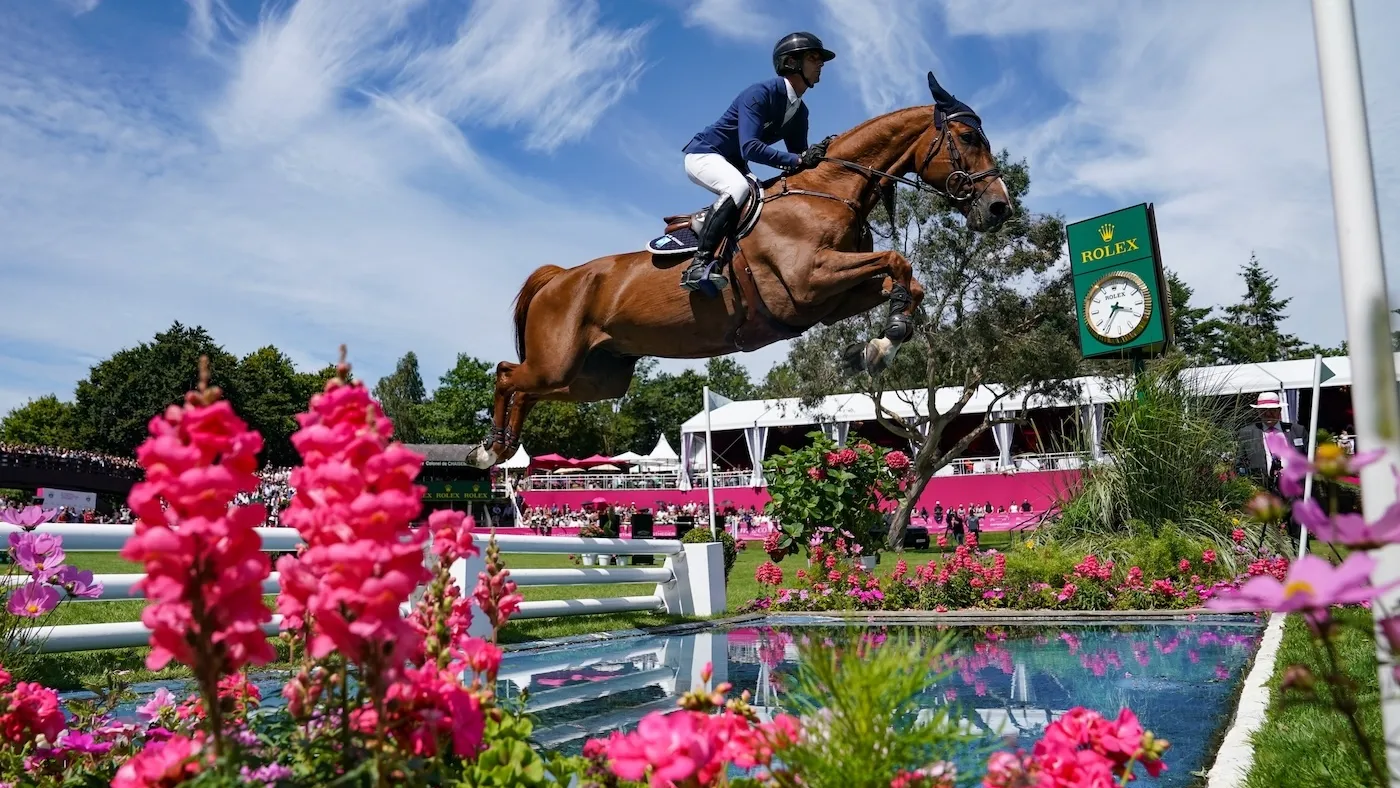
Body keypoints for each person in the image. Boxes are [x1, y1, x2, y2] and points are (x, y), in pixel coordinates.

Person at [678, 32, 836, 294]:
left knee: (764, 200)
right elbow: (750, 147)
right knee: (737, 189)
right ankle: (698, 266)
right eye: (813, 57)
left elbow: (799, 159)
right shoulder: (760, 93)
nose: (821, 65)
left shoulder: (800, 112)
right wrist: (798, 158)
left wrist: (821, 157)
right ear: (792, 63)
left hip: (735, 164)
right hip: (705, 154)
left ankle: (716, 229)